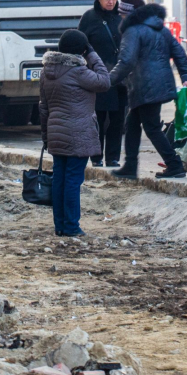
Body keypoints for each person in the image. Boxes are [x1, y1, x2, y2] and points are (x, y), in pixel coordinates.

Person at [110, 0, 187, 179]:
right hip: (158, 85)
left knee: (152, 127)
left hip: (144, 86)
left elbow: (126, 61)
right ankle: (130, 167)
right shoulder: (161, 29)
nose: (121, 18)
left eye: (123, 15)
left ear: (130, 14)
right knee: (132, 124)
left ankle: (175, 165)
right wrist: (186, 76)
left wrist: (108, 80)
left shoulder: (132, 31)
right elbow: (179, 53)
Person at [39, 29, 110, 236]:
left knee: (60, 178)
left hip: (56, 133)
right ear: (80, 50)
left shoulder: (46, 72)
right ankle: (71, 226)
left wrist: (46, 136)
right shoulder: (79, 72)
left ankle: (60, 226)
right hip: (78, 134)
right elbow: (104, 81)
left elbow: (43, 108)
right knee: (72, 181)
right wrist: (92, 54)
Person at [78, 0, 125, 167]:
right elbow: (80, 45)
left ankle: (113, 157)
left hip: (120, 78)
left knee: (117, 120)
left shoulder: (123, 17)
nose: (111, 1)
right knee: (97, 119)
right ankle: (96, 156)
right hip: (96, 77)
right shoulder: (89, 18)